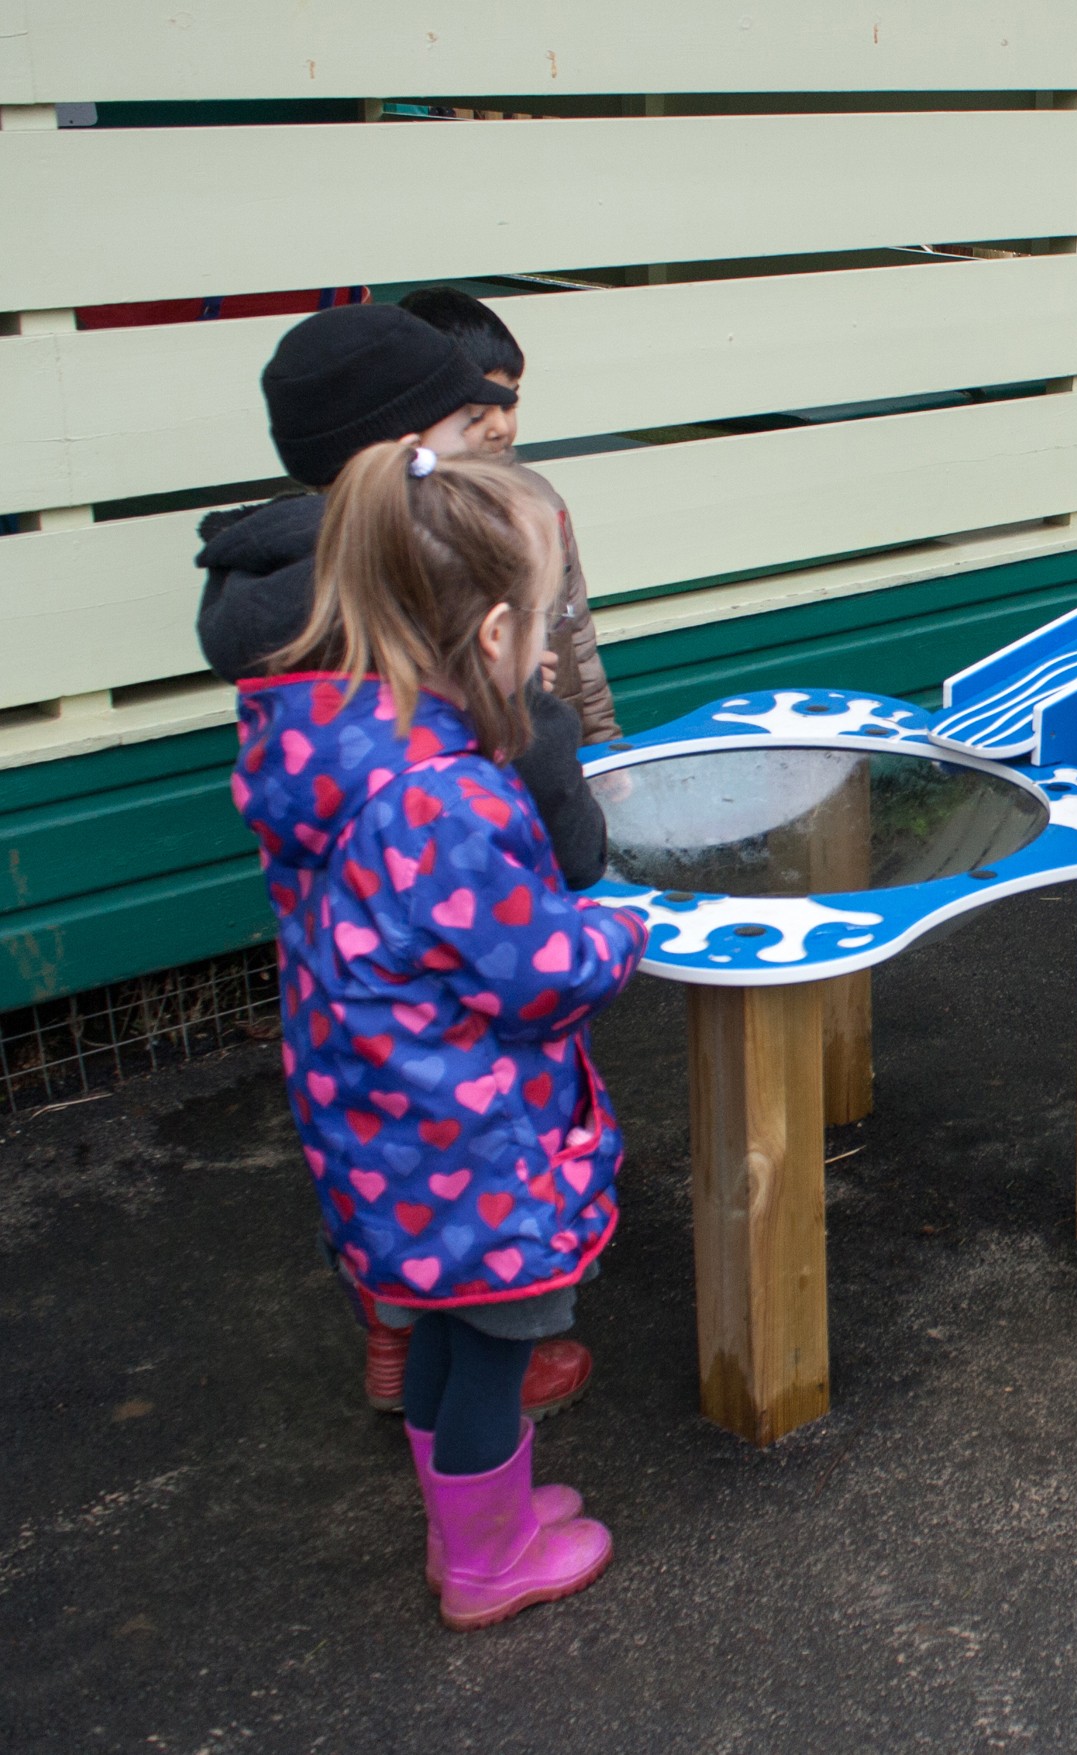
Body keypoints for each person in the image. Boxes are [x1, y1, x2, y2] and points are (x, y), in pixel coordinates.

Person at [233, 439, 649, 1628]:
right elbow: (535, 976)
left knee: (434, 1328)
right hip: (465, 1135)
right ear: (493, 638)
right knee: (494, 1347)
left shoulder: (334, 746)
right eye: (546, 623)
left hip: (375, 1119)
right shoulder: (449, 797)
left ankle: (488, 1519)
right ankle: (480, 1563)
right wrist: (612, 932)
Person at [196, 303, 608, 1421]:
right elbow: (548, 880)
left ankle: (392, 1338)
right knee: (474, 1174)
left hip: (340, 981)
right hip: (469, 988)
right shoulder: (447, 588)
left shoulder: (273, 595)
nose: (493, 429)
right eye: (470, 414)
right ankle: (500, 1401)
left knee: (388, 1158)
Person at [399, 286, 623, 745]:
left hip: (554, 744)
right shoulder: (393, 520)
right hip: (462, 762)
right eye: (477, 411)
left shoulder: (540, 502)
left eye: (510, 402)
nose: (500, 425)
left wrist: (603, 737)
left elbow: (574, 628)